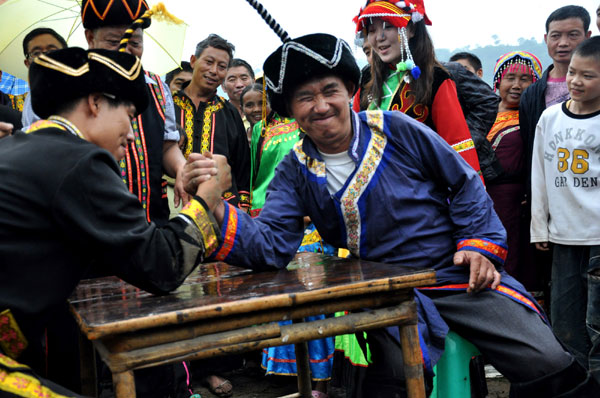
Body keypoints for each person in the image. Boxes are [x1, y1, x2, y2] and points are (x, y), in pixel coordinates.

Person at [193, 28, 599, 397]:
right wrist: (213, 202)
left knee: (546, 361)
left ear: (348, 88)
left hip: (454, 274)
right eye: (305, 97)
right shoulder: (294, 170)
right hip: (380, 288)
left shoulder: (396, 128)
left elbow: (464, 183)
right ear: (290, 109)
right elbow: (271, 244)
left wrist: (479, 246)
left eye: (329, 91)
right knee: (394, 381)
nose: (320, 106)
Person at [0, 47, 228, 398]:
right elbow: (161, 265)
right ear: (94, 102)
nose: (134, 135)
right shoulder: (79, 160)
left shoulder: (19, 147)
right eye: (130, 115)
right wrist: (207, 199)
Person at [530, 36, 600, 383]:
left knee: (598, 323)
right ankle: (577, 388)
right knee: (566, 323)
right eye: (573, 72)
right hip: (564, 237)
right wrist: (539, 227)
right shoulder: (549, 118)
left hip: (598, 237)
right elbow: (539, 176)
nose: (575, 81)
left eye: (588, 76)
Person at [354, 0, 481, 176]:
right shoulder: (367, 78)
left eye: (388, 26)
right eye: (372, 30)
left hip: (420, 194)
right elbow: (352, 135)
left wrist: (472, 198)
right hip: (371, 193)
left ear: (412, 29)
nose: (379, 37)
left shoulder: (436, 79)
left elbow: (458, 145)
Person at [519, 4, 592, 313]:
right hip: (555, 214)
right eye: (556, 36)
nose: (563, 43)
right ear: (545, 39)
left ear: (588, 36)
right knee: (562, 294)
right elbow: (531, 154)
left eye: (572, 35)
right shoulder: (533, 94)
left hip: (591, 211)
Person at [173, 34, 251, 211]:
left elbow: (243, 167)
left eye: (222, 67)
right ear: (193, 61)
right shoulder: (167, 105)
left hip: (222, 206)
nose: (214, 71)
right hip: (174, 201)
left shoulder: (230, 113)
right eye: (209, 62)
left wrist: (243, 207)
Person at [486, 51, 542, 290]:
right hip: (482, 201)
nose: (517, 85)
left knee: (518, 262)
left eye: (525, 79)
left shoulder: (534, 118)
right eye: (510, 78)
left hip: (518, 203)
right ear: (498, 81)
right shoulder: (482, 114)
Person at [222, 58, 255, 130]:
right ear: (223, 87)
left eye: (244, 78)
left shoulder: (265, 112)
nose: (239, 84)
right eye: (232, 80)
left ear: (254, 81)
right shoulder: (218, 114)